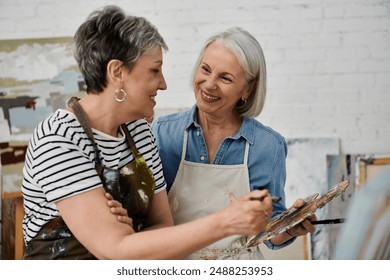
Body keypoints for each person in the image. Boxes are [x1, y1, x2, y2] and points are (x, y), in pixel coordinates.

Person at [21, 6, 272, 260]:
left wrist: (130, 234)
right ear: (117, 72)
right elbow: (116, 250)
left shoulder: (139, 131)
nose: (163, 83)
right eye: (154, 70)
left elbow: (163, 227)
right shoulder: (59, 139)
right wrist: (226, 222)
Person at [152, 27, 316, 260]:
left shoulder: (268, 146)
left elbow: (268, 230)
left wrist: (290, 226)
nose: (209, 84)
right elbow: (147, 216)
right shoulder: (163, 133)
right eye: (205, 69)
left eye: (225, 78)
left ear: (247, 89)